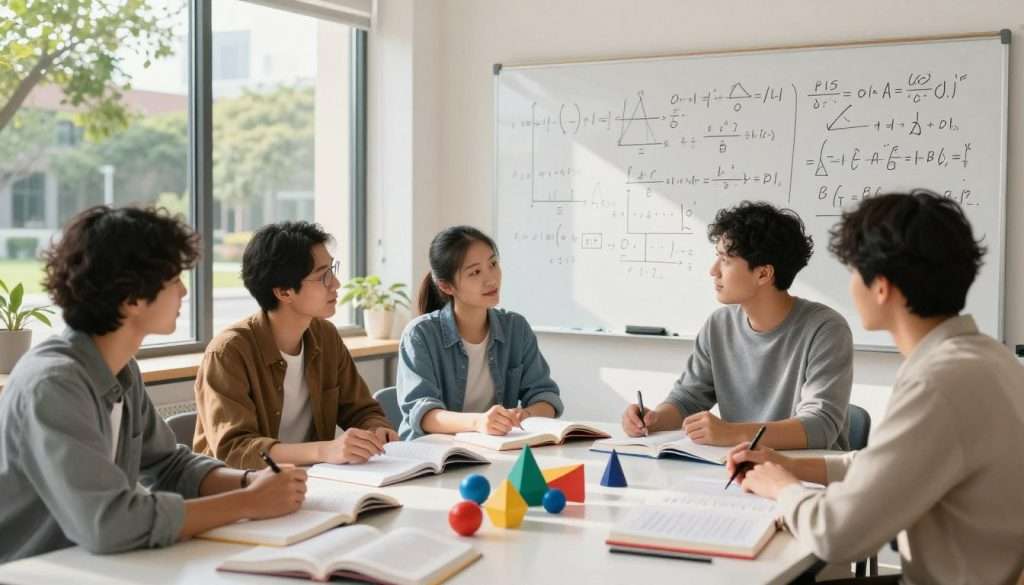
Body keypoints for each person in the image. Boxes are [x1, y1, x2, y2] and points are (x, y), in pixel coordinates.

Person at [730, 191, 1024, 585]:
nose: (851, 285)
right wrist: (790, 465)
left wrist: (783, 488)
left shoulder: (939, 382)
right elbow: (884, 468)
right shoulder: (987, 357)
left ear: (881, 287)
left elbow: (837, 535)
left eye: (853, 271)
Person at [0, 206, 307, 562]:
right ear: (131, 298)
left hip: (93, 566)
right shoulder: (53, 384)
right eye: (174, 278)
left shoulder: (120, 370)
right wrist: (249, 503)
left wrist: (249, 481)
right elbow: (108, 523)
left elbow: (169, 466)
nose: (184, 291)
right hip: (30, 571)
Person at [622, 201, 853, 449]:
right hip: (740, 470)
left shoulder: (826, 329)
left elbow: (819, 427)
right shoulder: (718, 325)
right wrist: (653, 420)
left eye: (726, 260)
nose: (713, 271)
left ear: (764, 274)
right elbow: (688, 399)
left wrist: (731, 433)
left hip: (808, 475)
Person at [193, 221, 395, 468]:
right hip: (242, 492)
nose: (336, 284)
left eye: (332, 269)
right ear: (284, 292)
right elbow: (235, 450)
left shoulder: (326, 336)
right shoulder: (228, 353)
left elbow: (362, 410)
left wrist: (377, 429)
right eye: (323, 276)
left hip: (314, 482)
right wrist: (324, 450)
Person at [396, 226, 563, 440]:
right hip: (434, 455)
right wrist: (479, 422)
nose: (491, 279)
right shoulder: (420, 335)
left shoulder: (515, 329)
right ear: (447, 286)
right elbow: (423, 413)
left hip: (493, 451)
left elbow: (546, 397)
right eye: (475, 272)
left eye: (493, 264)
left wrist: (525, 415)